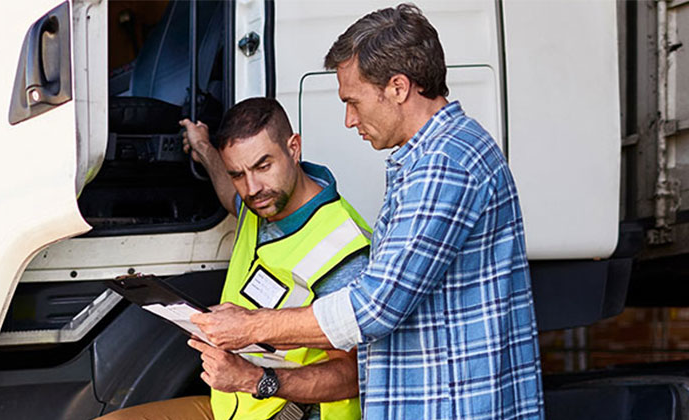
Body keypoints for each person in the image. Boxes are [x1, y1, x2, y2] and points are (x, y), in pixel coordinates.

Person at [189, 4, 545, 419]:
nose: (348, 119)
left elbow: (373, 308)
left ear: (398, 87)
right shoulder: (433, 157)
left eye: (353, 101)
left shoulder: (445, 165)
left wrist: (249, 328)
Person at [96, 97, 370, 420]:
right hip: (231, 408)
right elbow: (230, 193)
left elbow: (352, 376)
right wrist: (203, 149)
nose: (252, 188)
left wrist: (253, 379)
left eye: (262, 166)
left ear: (294, 148)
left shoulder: (343, 249)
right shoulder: (258, 205)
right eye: (238, 173)